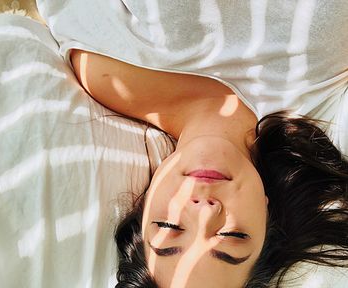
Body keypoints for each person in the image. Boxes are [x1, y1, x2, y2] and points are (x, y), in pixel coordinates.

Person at [37, 1, 347, 287]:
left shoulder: (107, 72)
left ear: (142, 212)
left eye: (169, 226)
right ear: (267, 216)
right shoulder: (325, 107)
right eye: (231, 235)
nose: (203, 209)